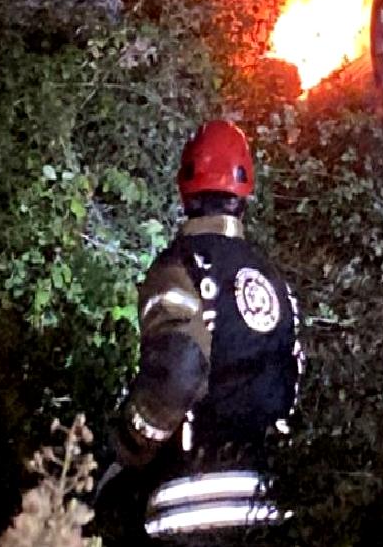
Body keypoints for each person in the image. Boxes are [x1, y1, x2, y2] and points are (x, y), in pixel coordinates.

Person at [96, 119, 303, 544]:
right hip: (270, 502)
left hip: (189, 506)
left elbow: (179, 371)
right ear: (245, 192)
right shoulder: (275, 281)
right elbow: (294, 379)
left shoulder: (179, 270)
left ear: (184, 188)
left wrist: (126, 443)